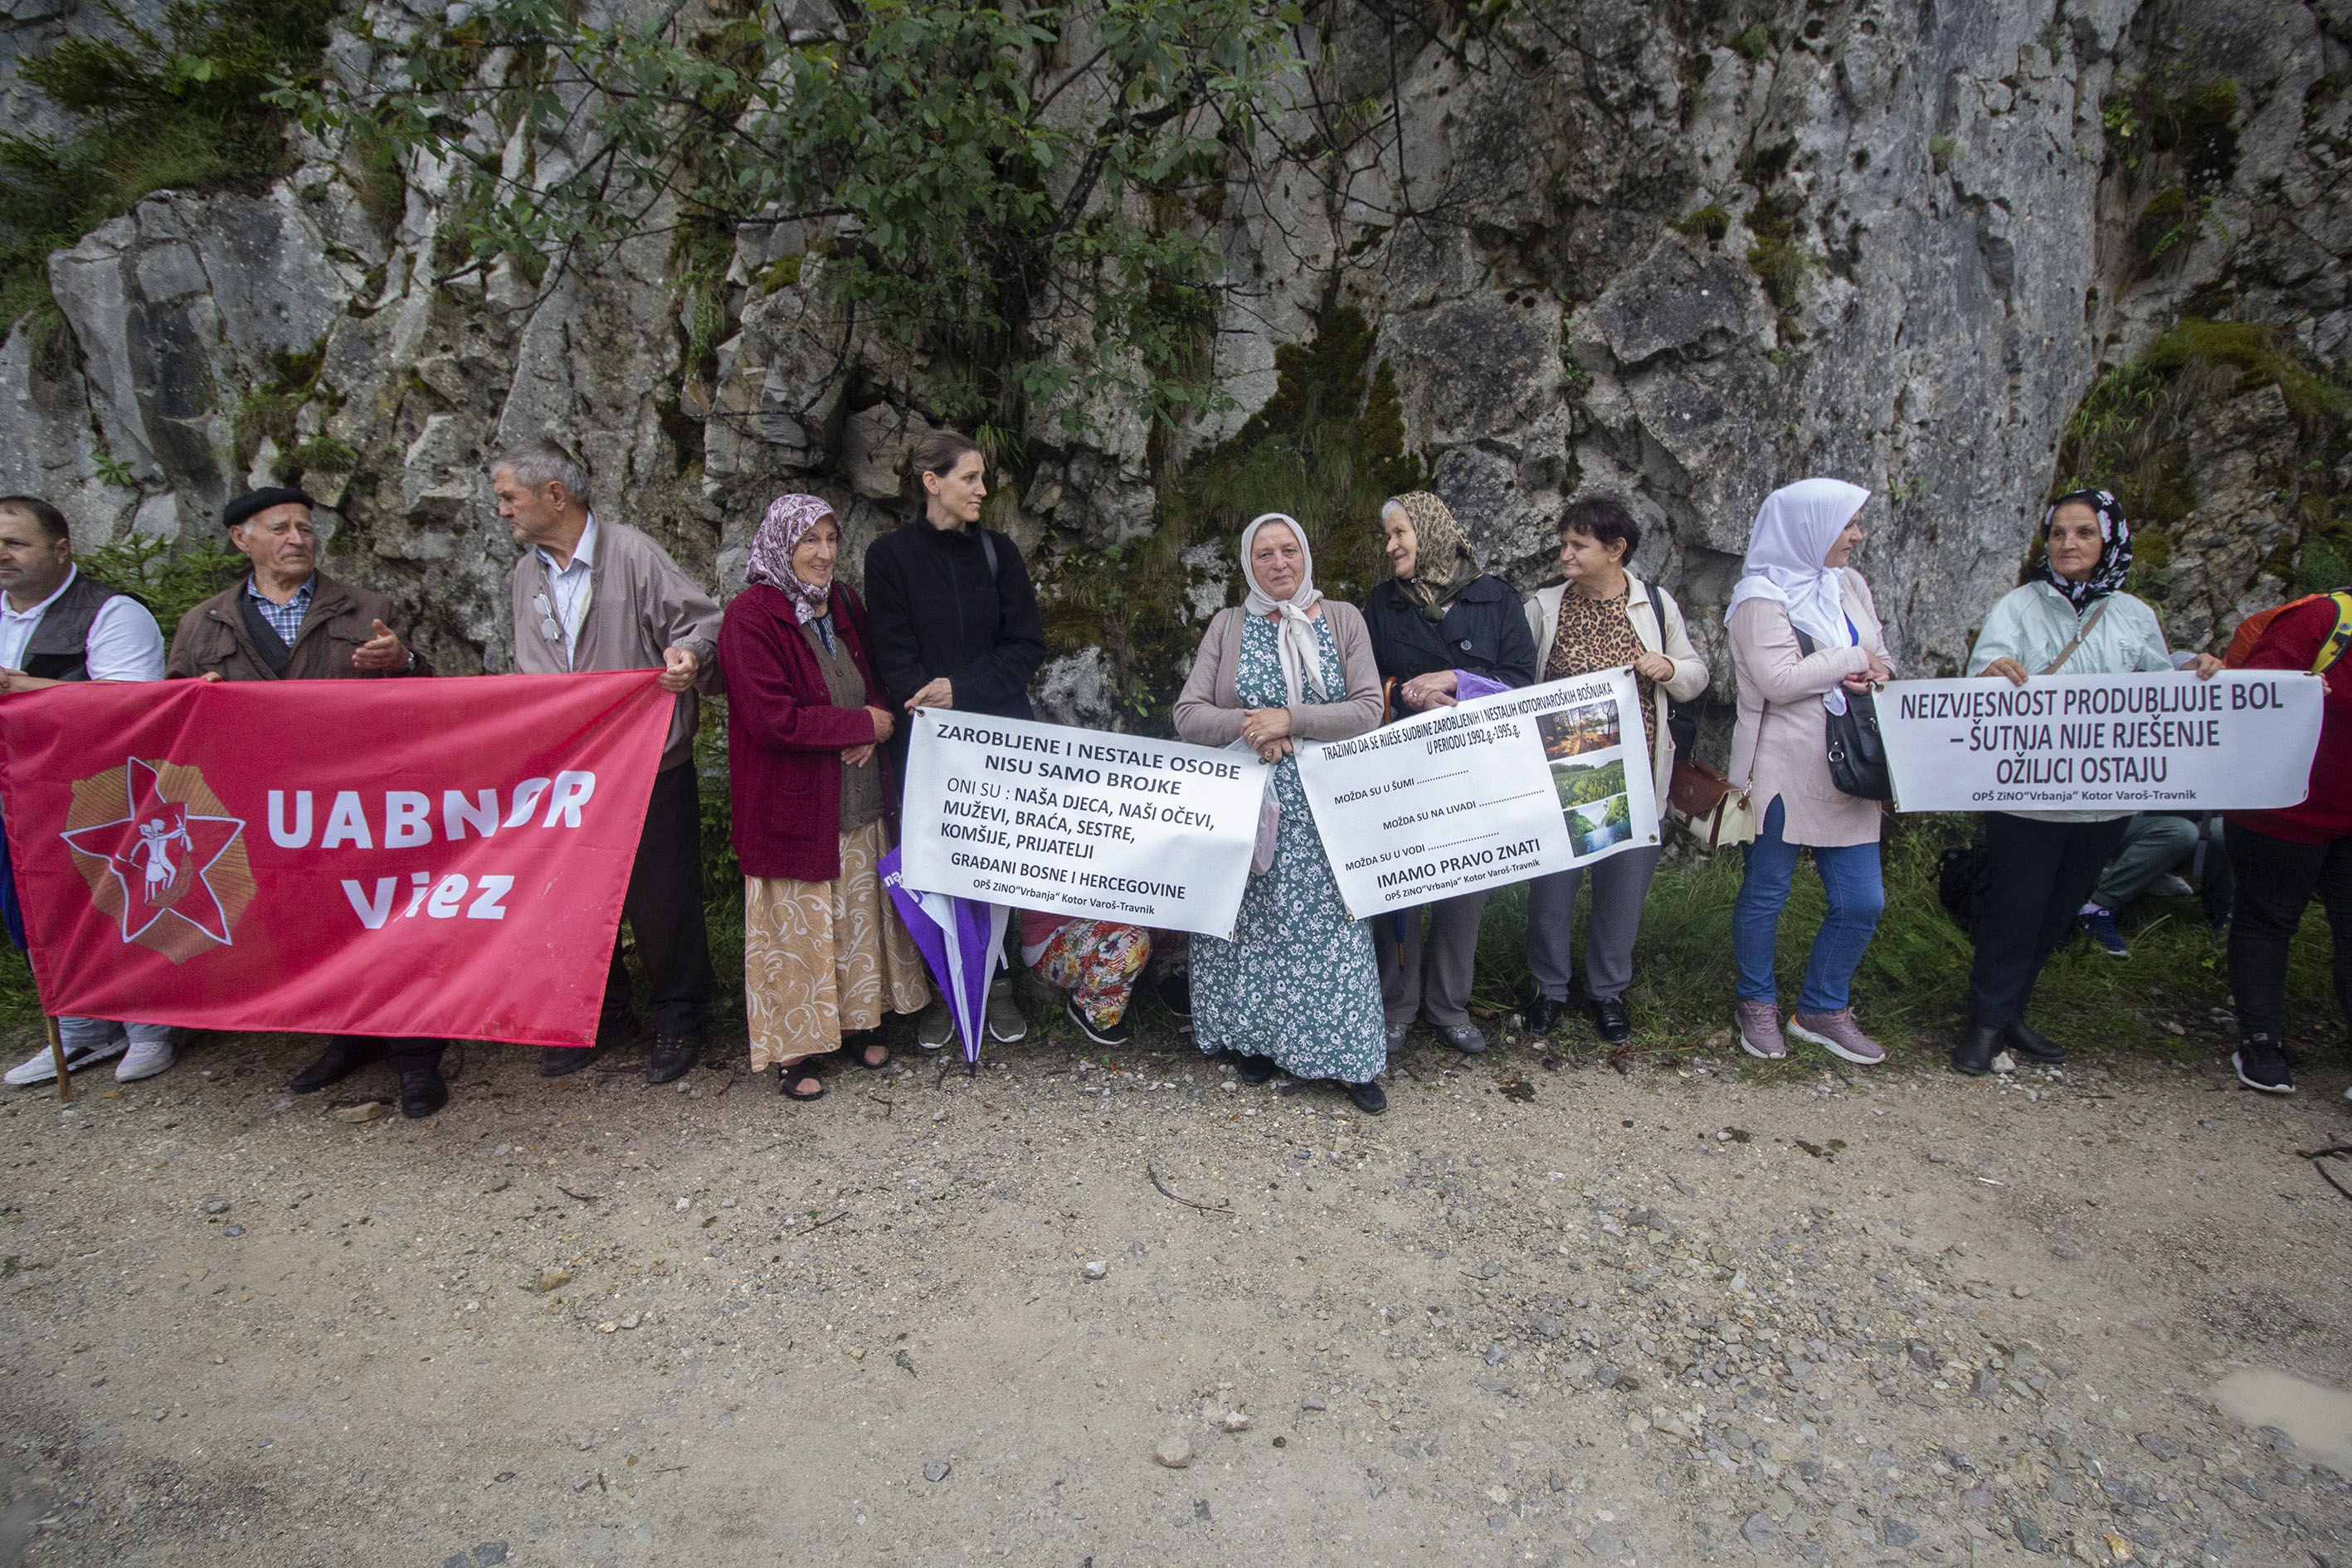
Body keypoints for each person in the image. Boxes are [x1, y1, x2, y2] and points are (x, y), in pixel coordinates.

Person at [163, 486, 450, 1116]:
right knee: (311, 925)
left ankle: (415, 1055)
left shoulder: (368, 606)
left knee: (388, 918)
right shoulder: (202, 623)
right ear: (242, 539)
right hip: (266, 809)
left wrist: (404, 661)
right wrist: (195, 696)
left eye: (305, 528)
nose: (297, 538)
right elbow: (173, 722)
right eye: (280, 528)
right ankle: (347, 1037)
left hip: (360, 802)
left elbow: (427, 698)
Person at [1956, 489, 2223, 1075]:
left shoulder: (2132, 615)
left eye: (2082, 533)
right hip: (2025, 799)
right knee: (2012, 910)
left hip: (2102, 805)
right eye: (2057, 533)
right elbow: (1976, 692)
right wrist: (1991, 673)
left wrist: (2196, 671)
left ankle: (2013, 1014)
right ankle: (1982, 1023)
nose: (2067, 544)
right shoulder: (2018, 607)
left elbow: (2159, 691)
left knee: (2054, 913)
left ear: (2109, 541)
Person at [494, 438, 719, 1085]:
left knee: (660, 900)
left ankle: (680, 1018)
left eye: (510, 497)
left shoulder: (632, 554)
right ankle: (601, 1014)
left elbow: (703, 625)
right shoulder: (524, 576)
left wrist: (688, 660)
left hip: (649, 764)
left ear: (554, 495)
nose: (503, 512)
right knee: (572, 898)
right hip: (568, 774)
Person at [1174, 513, 1389, 1113]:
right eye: (1264, 554)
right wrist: (1253, 727)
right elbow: (1189, 715)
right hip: (1247, 801)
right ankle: (1258, 1043)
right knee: (1253, 927)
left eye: (1287, 550)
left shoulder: (1342, 619)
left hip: (1324, 807)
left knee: (1332, 929)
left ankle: (1348, 1058)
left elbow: (1367, 708)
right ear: (1249, 563)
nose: (1278, 564)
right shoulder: (1228, 625)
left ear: (1305, 554)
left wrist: (1291, 723)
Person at [717, 494, 929, 1100]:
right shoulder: (750, 617)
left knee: (855, 918)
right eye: (808, 540)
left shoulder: (841, 602)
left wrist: (880, 714)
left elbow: (878, 680)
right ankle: (796, 1050)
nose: (823, 553)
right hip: (793, 809)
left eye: (831, 539)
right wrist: (859, 727)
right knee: (800, 929)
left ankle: (860, 1024)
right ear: (781, 545)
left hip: (856, 800)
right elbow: (771, 719)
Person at [863, 430, 1047, 1050]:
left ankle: (997, 983)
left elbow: (1025, 646)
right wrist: (930, 699)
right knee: (936, 862)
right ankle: (947, 985)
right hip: (926, 743)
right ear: (931, 482)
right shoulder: (889, 558)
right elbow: (891, 651)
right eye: (970, 478)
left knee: (997, 860)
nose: (982, 490)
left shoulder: (999, 555)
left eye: (982, 478)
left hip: (997, 739)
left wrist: (957, 691)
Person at [0, 496, 178, 1088]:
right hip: (14, 795)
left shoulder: (110, 613)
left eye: (16, 542)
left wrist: (21, 687)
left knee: (118, 902)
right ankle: (78, 1026)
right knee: (28, 910)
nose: (3, 555)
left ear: (60, 548)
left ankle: (147, 1022)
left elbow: (130, 708)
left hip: (94, 791)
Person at [1518, 495, 1708, 1044]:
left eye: (1578, 545)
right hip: (1560, 778)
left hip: (1635, 776)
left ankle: (1607, 993)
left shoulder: (1655, 606)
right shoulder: (1545, 606)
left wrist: (1667, 667)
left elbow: (1695, 675)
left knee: (1621, 892)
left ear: (1615, 548)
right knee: (1551, 891)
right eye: (1563, 544)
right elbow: (1518, 683)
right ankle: (1548, 991)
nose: (1566, 555)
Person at [1359, 491, 1536, 1055]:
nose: (1390, 547)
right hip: (1404, 767)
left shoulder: (1495, 597)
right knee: (1400, 887)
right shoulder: (1381, 605)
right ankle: (1396, 1004)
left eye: (1399, 534)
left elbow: (1522, 681)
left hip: (1474, 768)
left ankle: (1449, 1004)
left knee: (1465, 887)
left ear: (1430, 532)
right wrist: (1404, 695)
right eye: (1387, 536)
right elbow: (1363, 688)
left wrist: (1456, 681)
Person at [1726, 478, 1894, 1067]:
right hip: (1779, 767)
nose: (1856, 535)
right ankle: (1756, 1003)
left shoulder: (1847, 585)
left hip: (1847, 768)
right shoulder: (1759, 597)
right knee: (1766, 892)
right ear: (1809, 528)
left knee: (1861, 900)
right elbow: (1777, 681)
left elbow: (1879, 653)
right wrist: (1849, 661)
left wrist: (1874, 670)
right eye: (1846, 524)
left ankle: (1822, 1006)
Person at [2222, 588, 2352, 1095]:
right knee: (2267, 921)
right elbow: (2251, 691)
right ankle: (2260, 1044)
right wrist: (2292, 691)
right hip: (2279, 812)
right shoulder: (2322, 618)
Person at [1021, 913, 1152, 1046]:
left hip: (1095, 920)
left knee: (1165, 913)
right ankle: (1090, 1007)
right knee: (1129, 936)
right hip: (1051, 940)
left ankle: (1164, 977)